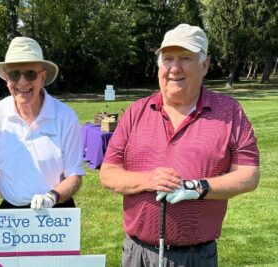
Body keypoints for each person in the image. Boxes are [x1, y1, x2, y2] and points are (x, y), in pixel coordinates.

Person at [100, 24, 260, 267]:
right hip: (137, 254)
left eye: (185, 58)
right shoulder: (136, 112)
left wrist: (197, 187)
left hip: (196, 257)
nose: (174, 68)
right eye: (168, 59)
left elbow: (249, 175)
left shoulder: (229, 112)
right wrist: (148, 180)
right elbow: (108, 174)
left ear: (205, 65)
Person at [0, 37, 84, 211]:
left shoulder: (66, 117)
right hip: (12, 212)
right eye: (14, 74)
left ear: (42, 77)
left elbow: (75, 176)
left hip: (56, 208)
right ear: (6, 78)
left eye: (30, 74)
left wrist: (52, 196)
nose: (22, 82)